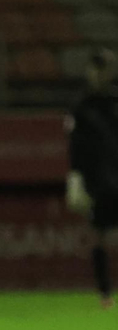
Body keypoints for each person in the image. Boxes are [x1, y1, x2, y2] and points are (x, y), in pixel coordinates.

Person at [67, 48, 118, 308]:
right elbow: (75, 145)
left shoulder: (115, 102)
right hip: (98, 181)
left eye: (105, 67)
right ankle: (105, 293)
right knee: (99, 235)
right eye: (97, 67)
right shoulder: (82, 107)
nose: (100, 73)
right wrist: (75, 178)